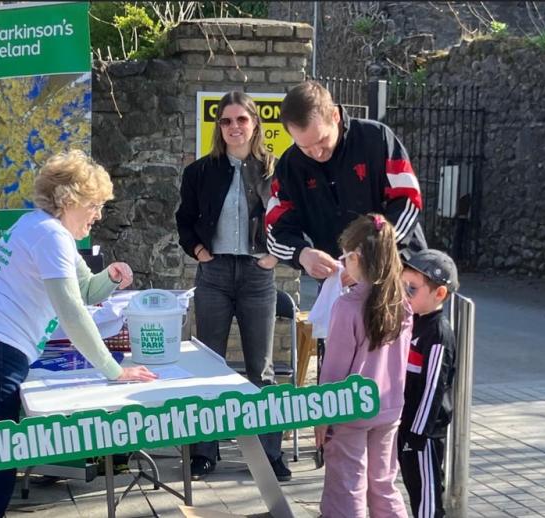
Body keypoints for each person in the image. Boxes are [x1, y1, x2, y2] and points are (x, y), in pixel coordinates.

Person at [0, 149, 157, 517]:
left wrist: (109, 277)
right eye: (93, 205)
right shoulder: (51, 236)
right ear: (68, 199)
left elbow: (86, 290)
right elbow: (73, 312)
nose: (98, 215)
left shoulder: (39, 225)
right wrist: (114, 370)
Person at [175, 91, 290, 481]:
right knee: (210, 366)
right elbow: (184, 220)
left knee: (262, 370)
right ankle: (206, 452)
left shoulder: (274, 169)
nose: (234, 127)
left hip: (258, 275)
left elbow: (292, 217)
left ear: (255, 123)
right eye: (226, 121)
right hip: (216, 274)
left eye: (242, 119)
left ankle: (270, 454)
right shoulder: (201, 172)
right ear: (218, 127)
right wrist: (197, 250)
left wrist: (275, 255)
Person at [266, 79, 427, 279]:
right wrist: (302, 254)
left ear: (335, 115)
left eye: (322, 140)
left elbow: (409, 201)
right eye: (305, 147)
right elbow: (275, 231)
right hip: (339, 280)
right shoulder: (289, 167)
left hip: (399, 269)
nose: (317, 153)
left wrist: (372, 254)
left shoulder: (376, 139)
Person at [314, 213, 412, 518]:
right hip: (389, 409)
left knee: (346, 489)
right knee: (383, 485)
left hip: (349, 409)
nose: (343, 264)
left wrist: (321, 417)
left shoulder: (346, 306)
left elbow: (333, 371)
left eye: (345, 257)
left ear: (356, 257)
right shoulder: (403, 304)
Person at [398, 249, 458, 518]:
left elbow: (433, 388)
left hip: (424, 435)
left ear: (440, 294)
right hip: (406, 426)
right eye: (402, 286)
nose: (404, 294)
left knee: (427, 499)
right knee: (414, 489)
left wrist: (416, 436)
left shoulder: (437, 332)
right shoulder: (412, 322)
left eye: (411, 289)